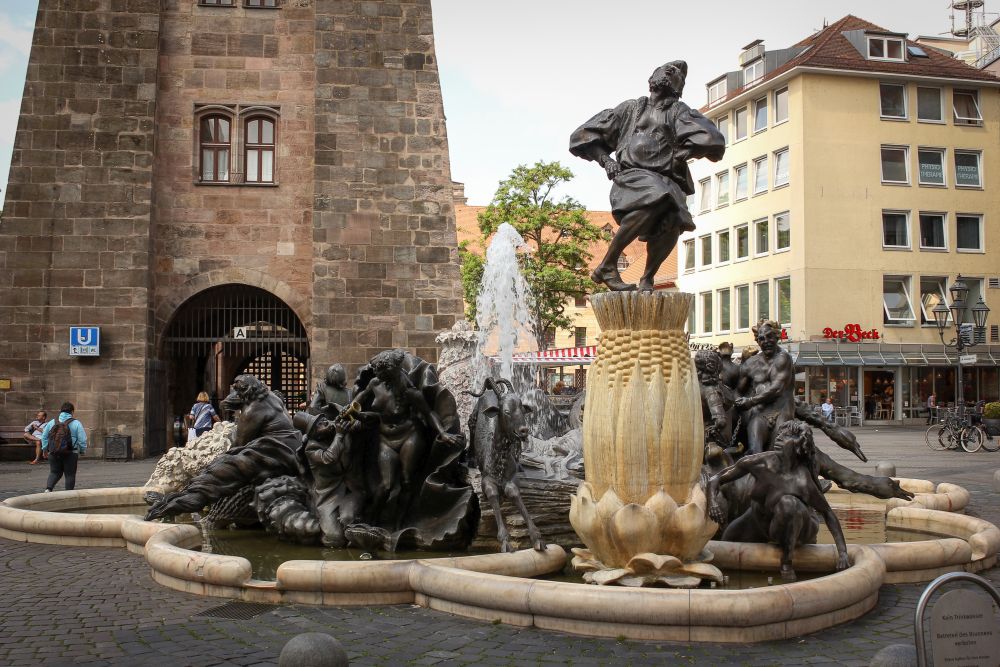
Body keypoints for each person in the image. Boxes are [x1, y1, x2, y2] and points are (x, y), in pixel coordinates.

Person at [570, 60, 725, 291]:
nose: (670, 71)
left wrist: (686, 151)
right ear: (652, 78)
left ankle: (647, 278)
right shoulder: (631, 108)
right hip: (631, 177)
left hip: (667, 180)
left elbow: (713, 139)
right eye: (666, 69)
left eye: (676, 73)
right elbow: (583, 136)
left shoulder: (678, 111)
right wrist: (607, 161)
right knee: (659, 195)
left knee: (674, 218)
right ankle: (608, 264)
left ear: (679, 87)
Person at [708, 421, 850, 582]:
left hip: (799, 527)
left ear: (799, 445)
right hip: (760, 520)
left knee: (788, 504)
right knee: (726, 541)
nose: (779, 437)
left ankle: (786, 562)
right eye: (780, 433)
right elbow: (715, 479)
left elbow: (827, 513)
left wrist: (843, 553)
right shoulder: (760, 462)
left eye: (787, 435)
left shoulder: (802, 481)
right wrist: (712, 502)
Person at [40, 402, 87, 492]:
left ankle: (48, 489)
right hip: (71, 453)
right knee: (70, 475)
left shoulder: (52, 422)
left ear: (61, 411)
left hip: (54, 452)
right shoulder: (76, 423)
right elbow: (82, 439)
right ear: (72, 412)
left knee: (54, 472)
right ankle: (68, 494)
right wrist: (82, 451)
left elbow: (44, 437)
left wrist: (45, 449)